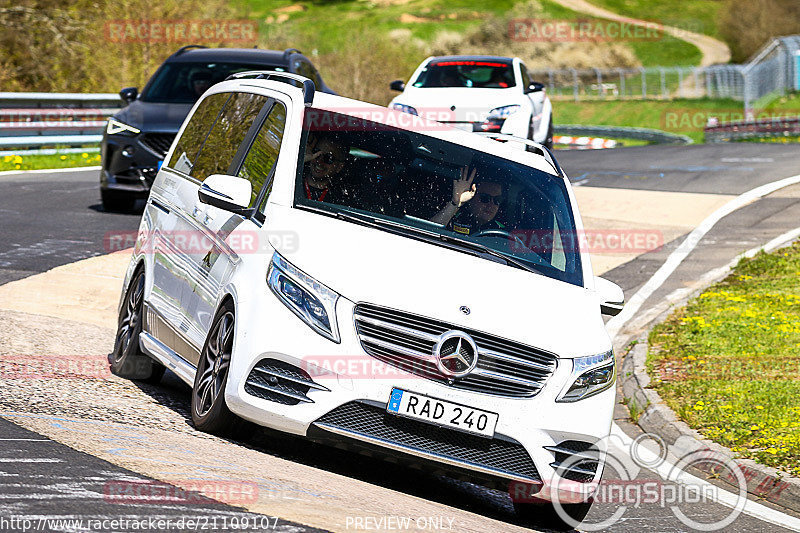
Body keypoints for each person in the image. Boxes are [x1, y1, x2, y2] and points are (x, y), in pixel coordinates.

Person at [432, 166, 506, 235]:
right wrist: (455, 202)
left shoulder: (501, 231)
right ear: (471, 198)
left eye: (497, 200)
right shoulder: (455, 217)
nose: (491, 205)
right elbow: (432, 231)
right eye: (485, 198)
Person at [301, 133, 349, 202]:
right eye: (316, 153)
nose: (319, 162)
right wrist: (300, 159)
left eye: (328, 158)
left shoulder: (341, 200)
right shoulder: (292, 181)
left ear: (339, 167)